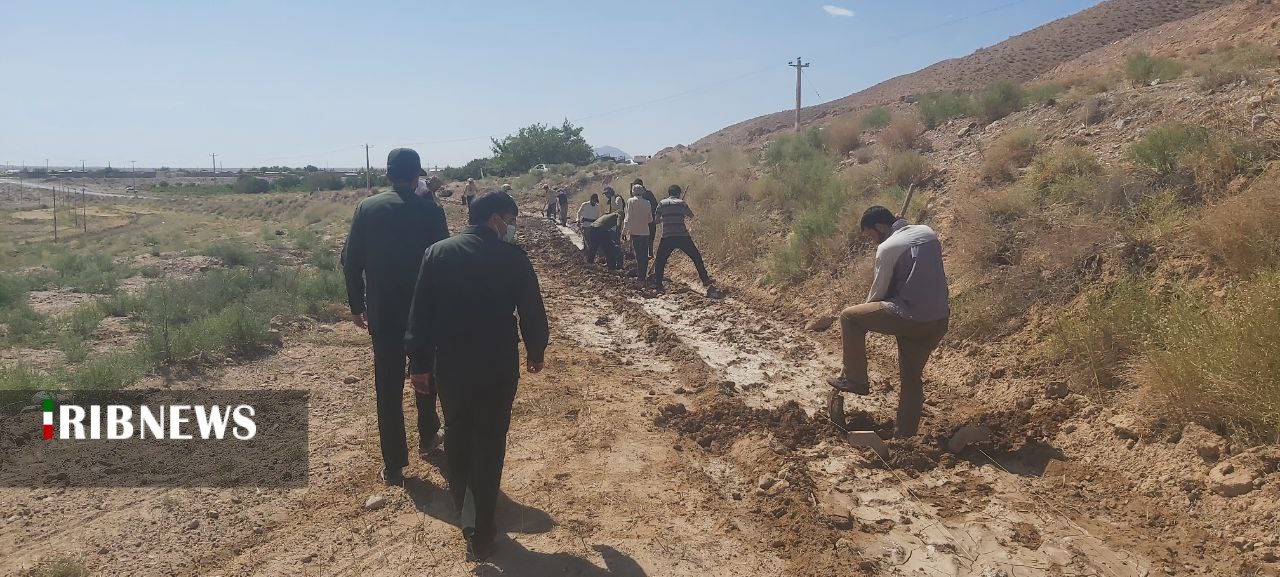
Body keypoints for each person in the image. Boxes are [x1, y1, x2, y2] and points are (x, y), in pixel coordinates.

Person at [404, 191, 549, 561]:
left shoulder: (437, 253)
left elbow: (420, 315)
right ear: (495, 219)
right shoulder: (512, 258)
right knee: (490, 440)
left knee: (457, 434)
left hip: (452, 364)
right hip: (498, 365)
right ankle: (482, 529)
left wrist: (418, 364)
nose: (512, 228)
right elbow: (532, 310)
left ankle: (468, 520)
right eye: (510, 220)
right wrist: (535, 350)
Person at [341, 148, 449, 485]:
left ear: (388, 175)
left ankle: (393, 464)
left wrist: (357, 304)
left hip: (383, 311)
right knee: (425, 371)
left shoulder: (367, 208)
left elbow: (350, 260)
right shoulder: (430, 211)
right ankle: (429, 436)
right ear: (417, 176)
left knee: (387, 385)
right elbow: (443, 260)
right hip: (423, 311)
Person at [827, 206, 949, 439]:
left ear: (880, 227)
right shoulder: (928, 233)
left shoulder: (887, 247)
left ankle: (855, 379)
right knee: (911, 379)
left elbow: (878, 294)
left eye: (871, 234)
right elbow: (913, 249)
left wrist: (866, 319)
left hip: (908, 315)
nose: (872, 240)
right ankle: (905, 437)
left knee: (850, 317)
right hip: (938, 320)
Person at [652, 185, 721, 298]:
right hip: (682, 236)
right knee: (696, 257)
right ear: (679, 193)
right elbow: (691, 216)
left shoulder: (662, 204)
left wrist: (666, 217)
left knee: (660, 261)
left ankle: (658, 286)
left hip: (668, 237)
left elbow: (656, 221)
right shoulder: (682, 203)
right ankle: (705, 280)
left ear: (669, 193)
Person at [622, 184, 654, 282]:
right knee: (644, 255)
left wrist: (624, 232)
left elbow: (627, 218)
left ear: (633, 192)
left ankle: (640, 278)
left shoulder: (630, 201)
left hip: (635, 232)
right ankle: (643, 275)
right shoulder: (647, 202)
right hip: (645, 232)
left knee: (639, 256)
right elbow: (650, 220)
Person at [635, 179, 659, 258]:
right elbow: (655, 205)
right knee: (649, 237)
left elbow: (654, 205)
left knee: (646, 237)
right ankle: (649, 254)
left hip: (644, 220)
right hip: (650, 219)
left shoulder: (642, 195)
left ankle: (648, 254)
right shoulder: (648, 193)